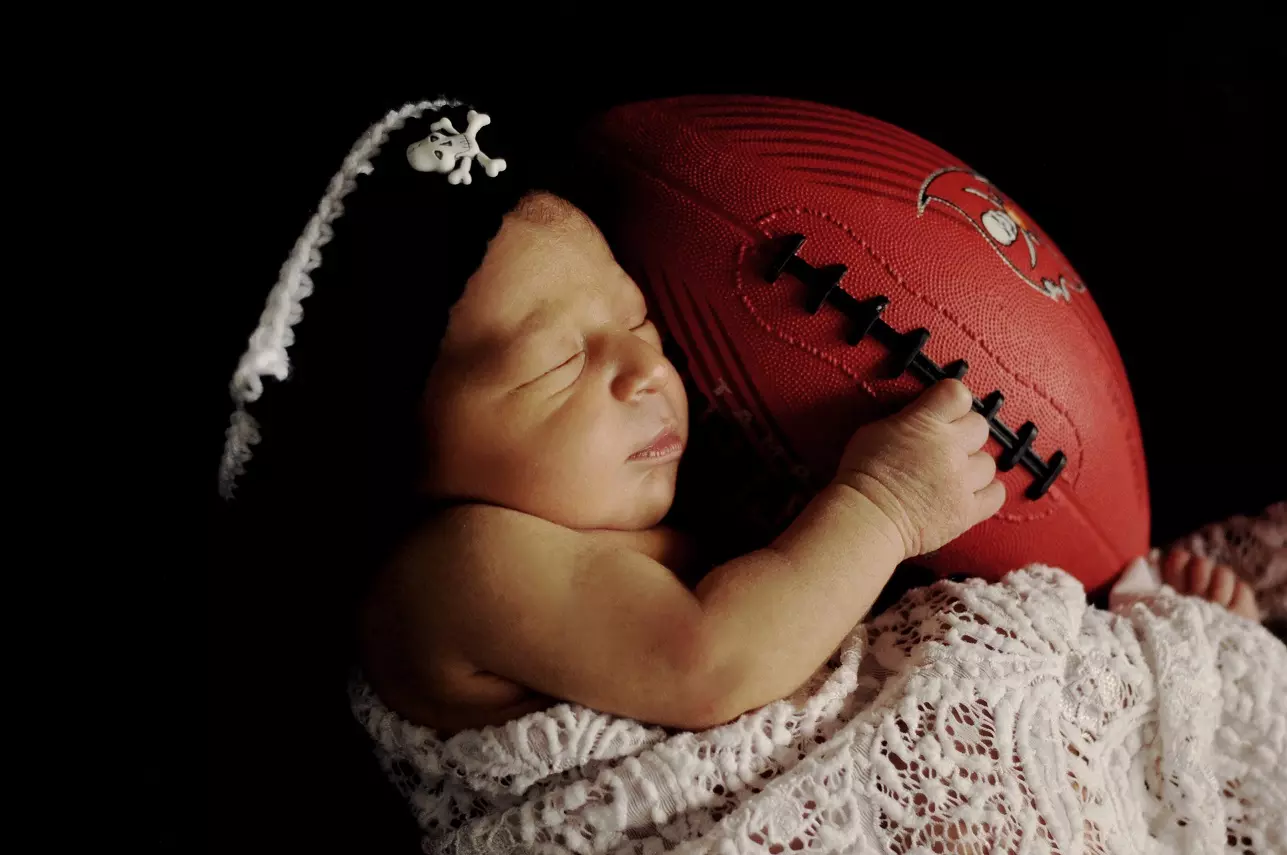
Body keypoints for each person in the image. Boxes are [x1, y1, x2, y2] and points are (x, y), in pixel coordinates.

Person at [218, 99, 1282, 853]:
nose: (645, 368)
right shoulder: (450, 570)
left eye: (634, 318)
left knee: (1139, 687)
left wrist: (1121, 628)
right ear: (391, 453)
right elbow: (712, 662)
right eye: (560, 360)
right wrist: (878, 506)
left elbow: (819, 639)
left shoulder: (621, 514)